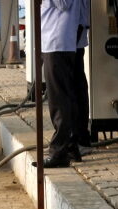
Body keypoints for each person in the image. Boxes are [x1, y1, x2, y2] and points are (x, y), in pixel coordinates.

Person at [38, 0, 82, 168]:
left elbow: (63, 3)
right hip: (56, 42)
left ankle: (59, 152)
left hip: (57, 42)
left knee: (59, 100)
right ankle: (70, 145)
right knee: (66, 97)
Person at [74, 0, 91, 156]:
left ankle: (80, 139)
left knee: (75, 90)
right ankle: (80, 138)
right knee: (77, 88)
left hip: (74, 33)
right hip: (75, 32)